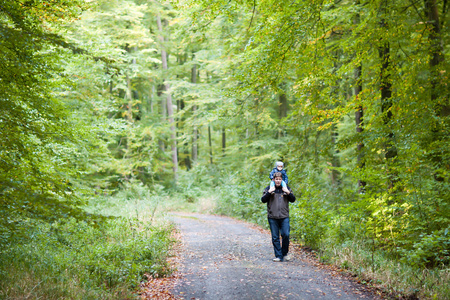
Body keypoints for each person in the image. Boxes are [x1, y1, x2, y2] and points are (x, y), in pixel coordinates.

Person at [261, 172, 296, 262]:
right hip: (272, 216)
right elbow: (263, 200)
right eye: (276, 179)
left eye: (279, 179)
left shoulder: (286, 188)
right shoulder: (269, 188)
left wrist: (288, 192)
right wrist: (269, 192)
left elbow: (293, 199)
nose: (278, 181)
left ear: (282, 180)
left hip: (284, 216)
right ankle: (278, 256)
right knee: (275, 237)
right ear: (273, 180)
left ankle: (284, 253)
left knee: (286, 235)